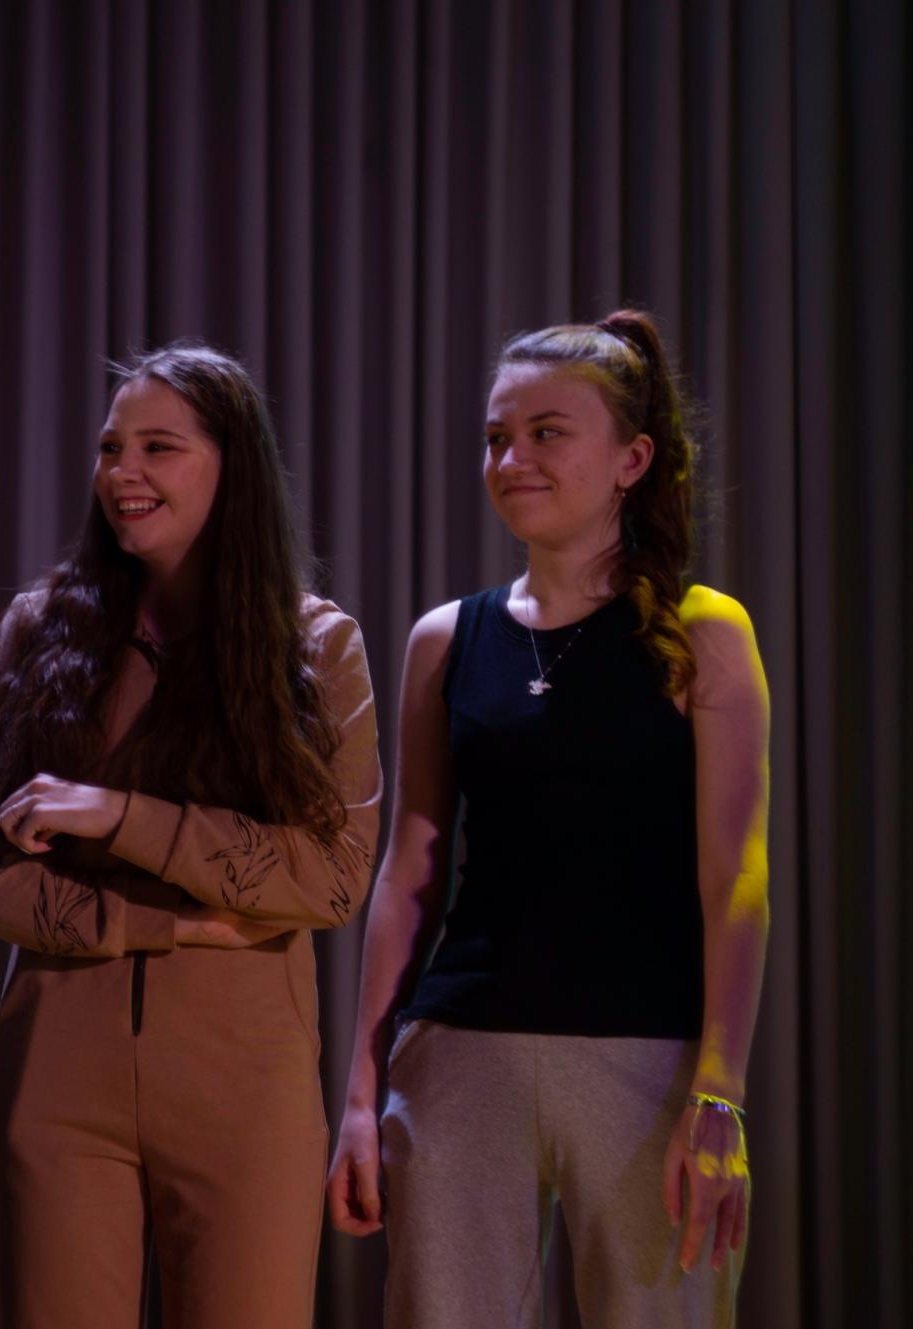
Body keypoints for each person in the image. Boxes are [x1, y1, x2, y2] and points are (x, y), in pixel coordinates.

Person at [325, 310, 772, 1327]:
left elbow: (734, 877)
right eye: (496, 437)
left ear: (630, 460)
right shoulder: (446, 637)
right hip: (460, 1055)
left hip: (647, 1063)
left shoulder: (703, 632)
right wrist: (359, 1094)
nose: (510, 458)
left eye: (545, 433)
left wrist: (719, 1090)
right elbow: (409, 868)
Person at [0, 342, 383, 1328]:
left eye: (159, 447)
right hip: (55, 1069)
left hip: (246, 1082)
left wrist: (119, 816)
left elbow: (330, 876)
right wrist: (150, 923)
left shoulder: (316, 644)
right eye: (111, 447)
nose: (124, 471)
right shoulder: (36, 630)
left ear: (232, 465)